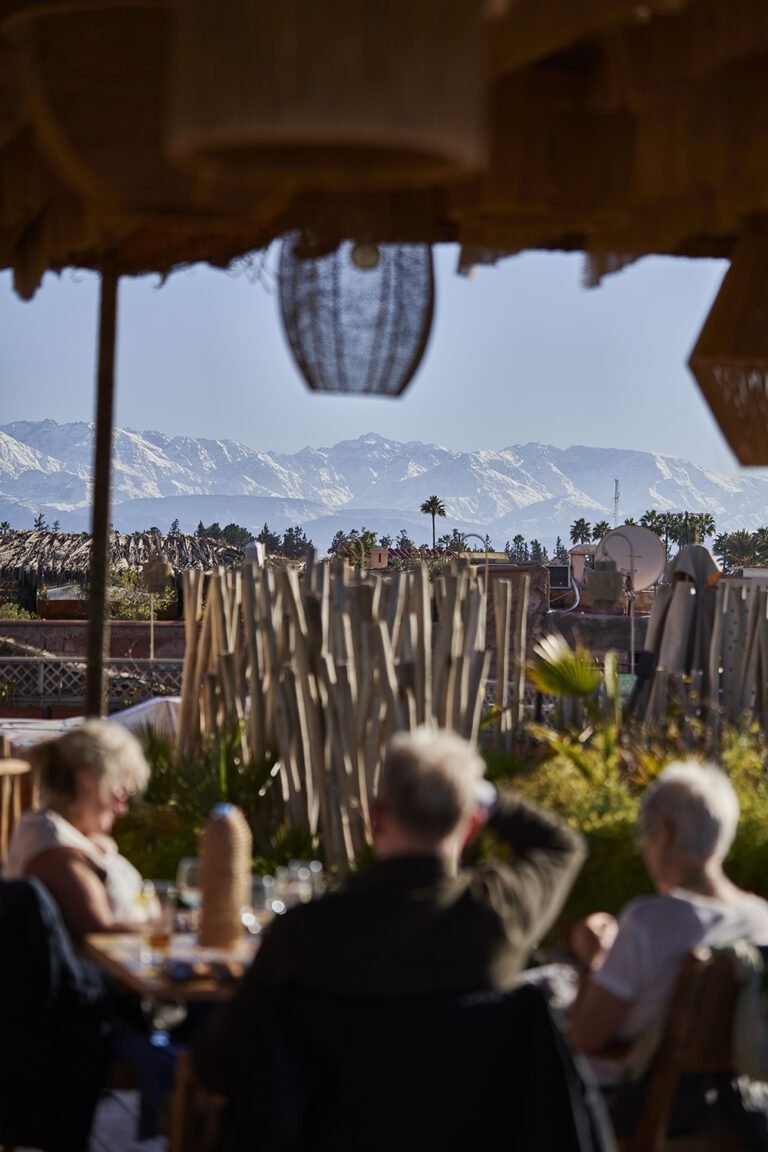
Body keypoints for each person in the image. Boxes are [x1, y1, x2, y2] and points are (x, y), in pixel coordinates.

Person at [194, 725, 586, 1094]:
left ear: (374, 817)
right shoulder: (500, 915)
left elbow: (222, 1063)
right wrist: (484, 797)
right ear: (471, 827)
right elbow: (562, 846)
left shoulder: (306, 932)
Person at [569, 759, 768, 1133]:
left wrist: (596, 957)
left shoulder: (648, 920)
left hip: (630, 1109)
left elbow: (587, 1036)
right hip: (729, 1112)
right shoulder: (762, 919)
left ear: (663, 831)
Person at [5, 719, 150, 942]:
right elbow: (99, 931)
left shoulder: (75, 837)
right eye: (121, 793)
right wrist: (172, 929)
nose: (122, 809)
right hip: (110, 973)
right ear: (90, 778)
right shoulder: (51, 840)